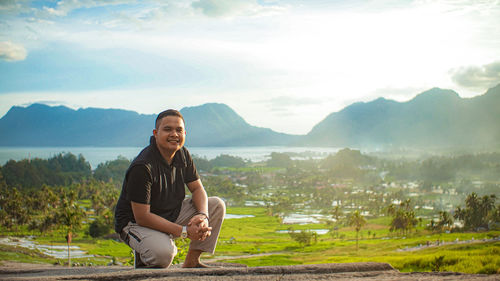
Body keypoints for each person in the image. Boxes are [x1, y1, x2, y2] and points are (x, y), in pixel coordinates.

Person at [114, 109, 226, 268]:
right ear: (155, 133)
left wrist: (203, 216)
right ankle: (146, 254)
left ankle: (192, 262)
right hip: (135, 223)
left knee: (215, 205)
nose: (174, 134)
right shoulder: (143, 166)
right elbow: (142, 217)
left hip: (171, 213)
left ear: (185, 133)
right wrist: (185, 231)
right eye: (167, 129)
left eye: (179, 130)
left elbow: (197, 189)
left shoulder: (183, 154)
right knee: (163, 256)